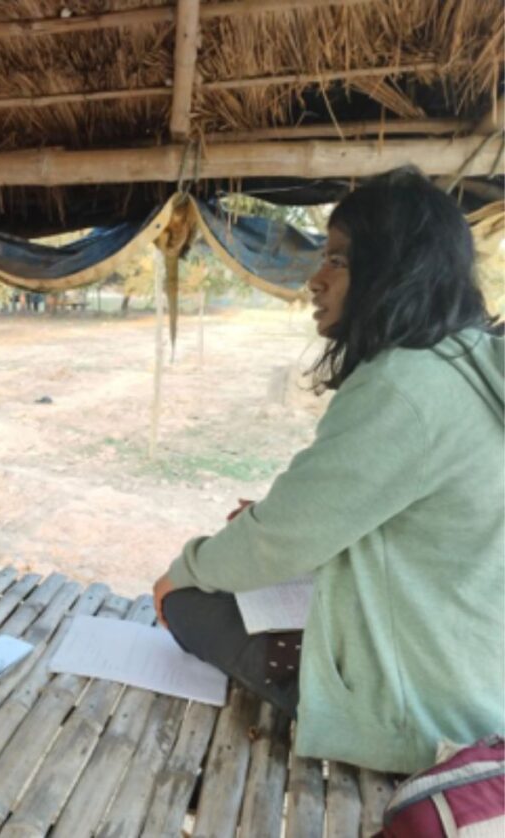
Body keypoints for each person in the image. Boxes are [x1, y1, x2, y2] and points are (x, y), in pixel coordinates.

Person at [152, 167, 504, 775]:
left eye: (338, 260)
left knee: (188, 602)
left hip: (422, 709)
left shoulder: (405, 385)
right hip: (476, 670)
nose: (315, 280)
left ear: (394, 269)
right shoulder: (471, 362)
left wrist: (177, 574)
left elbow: (276, 541)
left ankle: (351, 721)